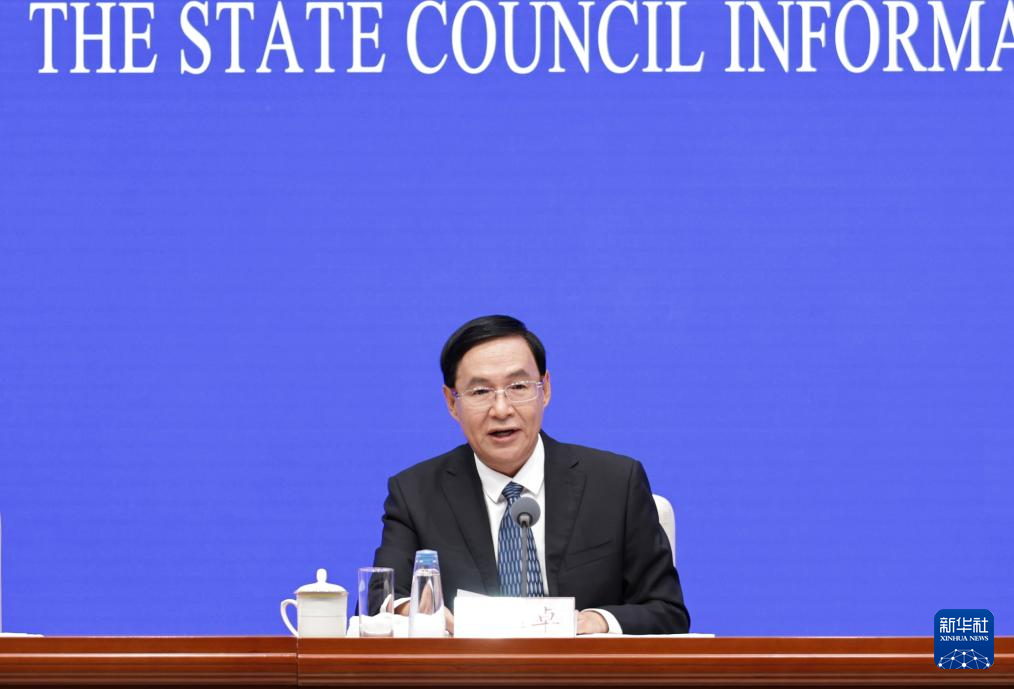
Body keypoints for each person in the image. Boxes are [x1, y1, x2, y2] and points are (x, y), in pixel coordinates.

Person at [372, 315, 690, 635]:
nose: (501, 409)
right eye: (480, 391)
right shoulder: (415, 493)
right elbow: (379, 599)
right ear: (452, 403)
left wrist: (595, 621)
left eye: (518, 387)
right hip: (469, 666)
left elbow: (667, 610)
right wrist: (415, 611)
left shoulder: (616, 484)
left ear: (545, 389)